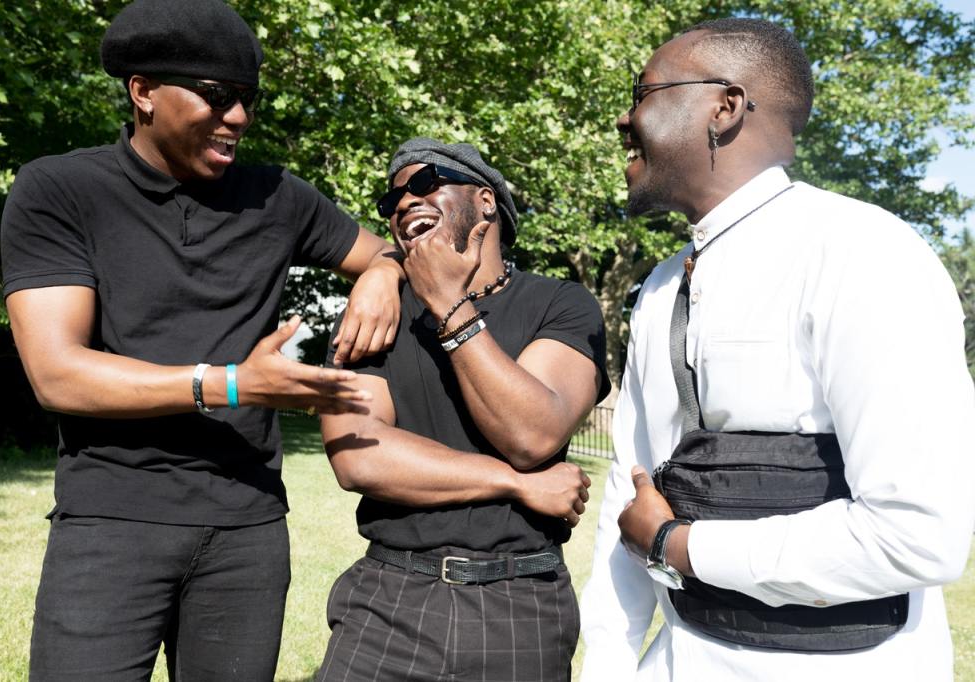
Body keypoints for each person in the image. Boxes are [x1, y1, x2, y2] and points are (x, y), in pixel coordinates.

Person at [0, 0, 405, 679]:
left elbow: (387, 253)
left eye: (247, 99)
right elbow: (57, 373)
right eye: (216, 96)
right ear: (143, 92)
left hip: (248, 530)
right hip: (110, 521)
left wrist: (382, 274)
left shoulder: (278, 197)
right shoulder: (62, 190)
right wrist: (233, 385)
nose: (238, 117)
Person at [580, 17, 975, 682]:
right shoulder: (660, 288)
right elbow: (631, 492)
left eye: (643, 93)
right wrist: (610, 666)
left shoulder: (862, 255)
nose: (625, 118)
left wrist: (679, 546)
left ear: (725, 107)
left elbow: (917, 535)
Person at [314, 137, 611, 681]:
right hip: (388, 600)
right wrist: (515, 483)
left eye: (425, 182)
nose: (405, 201)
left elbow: (532, 434)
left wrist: (450, 307)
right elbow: (359, 456)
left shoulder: (560, 303)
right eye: (392, 199)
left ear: (486, 200)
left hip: (521, 604)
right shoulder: (374, 311)